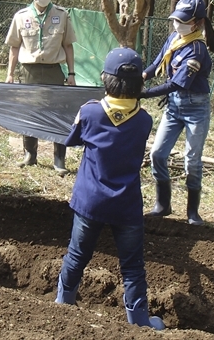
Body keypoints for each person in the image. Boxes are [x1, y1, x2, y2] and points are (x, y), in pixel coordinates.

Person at [55, 47, 164, 330]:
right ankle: (139, 320)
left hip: (90, 201)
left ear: (105, 79)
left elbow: (71, 140)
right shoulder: (144, 120)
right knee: (132, 266)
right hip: (126, 205)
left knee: (77, 255)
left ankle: (62, 303)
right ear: (140, 83)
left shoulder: (89, 112)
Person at [141, 0, 214, 226]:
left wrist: (143, 94)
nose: (178, 24)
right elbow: (157, 64)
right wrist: (142, 76)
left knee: (192, 161)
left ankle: (192, 212)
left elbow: (177, 82)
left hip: (195, 107)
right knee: (157, 153)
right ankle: (163, 204)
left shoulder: (197, 49)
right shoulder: (174, 39)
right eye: (176, 20)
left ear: (196, 22)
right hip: (174, 106)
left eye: (183, 21)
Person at [4, 0, 77, 176]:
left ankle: (59, 159)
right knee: (30, 112)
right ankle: (30, 154)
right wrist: (10, 74)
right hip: (30, 71)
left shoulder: (62, 15)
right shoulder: (21, 17)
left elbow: (68, 46)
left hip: (54, 70)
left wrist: (71, 73)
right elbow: (14, 48)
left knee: (58, 113)